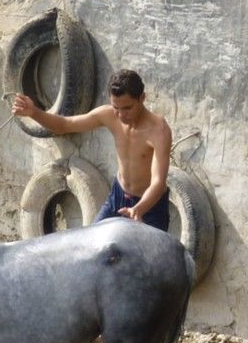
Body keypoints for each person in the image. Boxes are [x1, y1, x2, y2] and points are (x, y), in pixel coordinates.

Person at [12, 69, 172, 231]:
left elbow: (158, 183)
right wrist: (34, 113)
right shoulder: (108, 115)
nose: (121, 115)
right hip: (118, 196)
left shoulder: (159, 131)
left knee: (150, 255)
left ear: (142, 98)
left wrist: (138, 209)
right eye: (116, 107)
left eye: (127, 108)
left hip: (150, 205)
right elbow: (64, 125)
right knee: (93, 243)